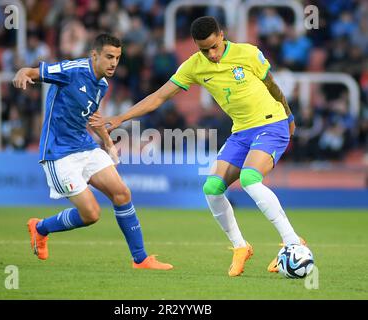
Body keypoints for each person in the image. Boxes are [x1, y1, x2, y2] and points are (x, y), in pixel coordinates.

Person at [89, 17, 306, 277]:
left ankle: (293, 242)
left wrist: (290, 117)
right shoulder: (194, 66)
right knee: (211, 188)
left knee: (250, 179)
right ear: (196, 46)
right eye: (204, 50)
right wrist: (121, 118)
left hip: (272, 124)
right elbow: (159, 96)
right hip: (241, 131)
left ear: (222, 36)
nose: (211, 55)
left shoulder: (247, 53)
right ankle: (240, 247)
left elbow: (272, 85)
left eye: (214, 47)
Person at [12, 33, 172, 271]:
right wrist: (23, 72)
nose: (113, 63)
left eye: (117, 58)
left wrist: (107, 144)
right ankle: (41, 228)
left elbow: (93, 119)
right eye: (108, 56)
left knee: (122, 194)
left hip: (84, 145)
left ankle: (141, 259)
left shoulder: (102, 85)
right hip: (58, 152)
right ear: (94, 55)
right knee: (91, 214)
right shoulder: (73, 70)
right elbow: (33, 72)